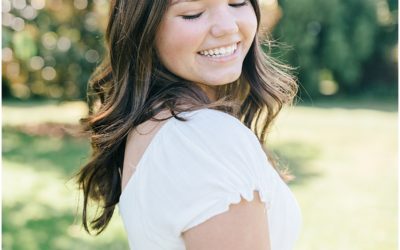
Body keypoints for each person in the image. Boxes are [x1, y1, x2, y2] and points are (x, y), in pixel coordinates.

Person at [76, 0, 302, 249]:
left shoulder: (157, 123)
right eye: (192, 14)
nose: (227, 27)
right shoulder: (205, 139)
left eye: (237, 2)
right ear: (144, 27)